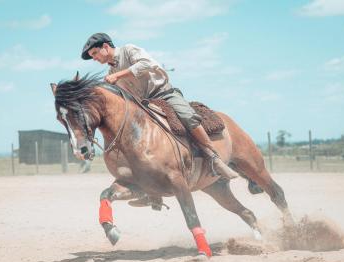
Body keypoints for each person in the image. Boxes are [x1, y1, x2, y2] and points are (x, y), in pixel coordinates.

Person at [81, 33, 237, 199]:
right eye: (92, 56)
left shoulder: (128, 50)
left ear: (105, 47)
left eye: (95, 54)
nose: (94, 58)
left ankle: (214, 157)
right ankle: (152, 193)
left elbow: (148, 63)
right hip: (144, 104)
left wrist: (118, 76)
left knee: (187, 116)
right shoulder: (111, 70)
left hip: (164, 93)